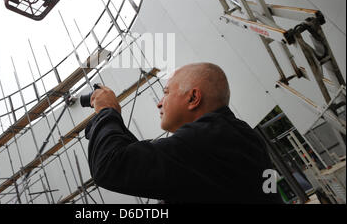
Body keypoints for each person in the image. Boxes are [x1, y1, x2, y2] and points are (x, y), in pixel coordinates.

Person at [85, 63, 282, 203]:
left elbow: (110, 166)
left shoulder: (205, 140)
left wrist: (106, 111)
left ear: (193, 97)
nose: (159, 102)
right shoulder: (237, 137)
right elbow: (149, 164)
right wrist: (108, 121)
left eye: (167, 92)